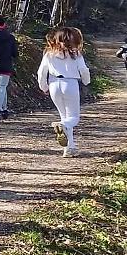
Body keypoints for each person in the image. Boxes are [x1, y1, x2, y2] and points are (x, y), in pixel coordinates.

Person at [37, 27, 91, 158]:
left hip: (54, 84)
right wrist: (86, 81)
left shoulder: (49, 53)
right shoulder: (75, 53)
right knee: (73, 118)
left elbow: (41, 72)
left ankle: (69, 148)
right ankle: (63, 127)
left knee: (64, 116)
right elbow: (83, 70)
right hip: (70, 83)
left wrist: (44, 87)